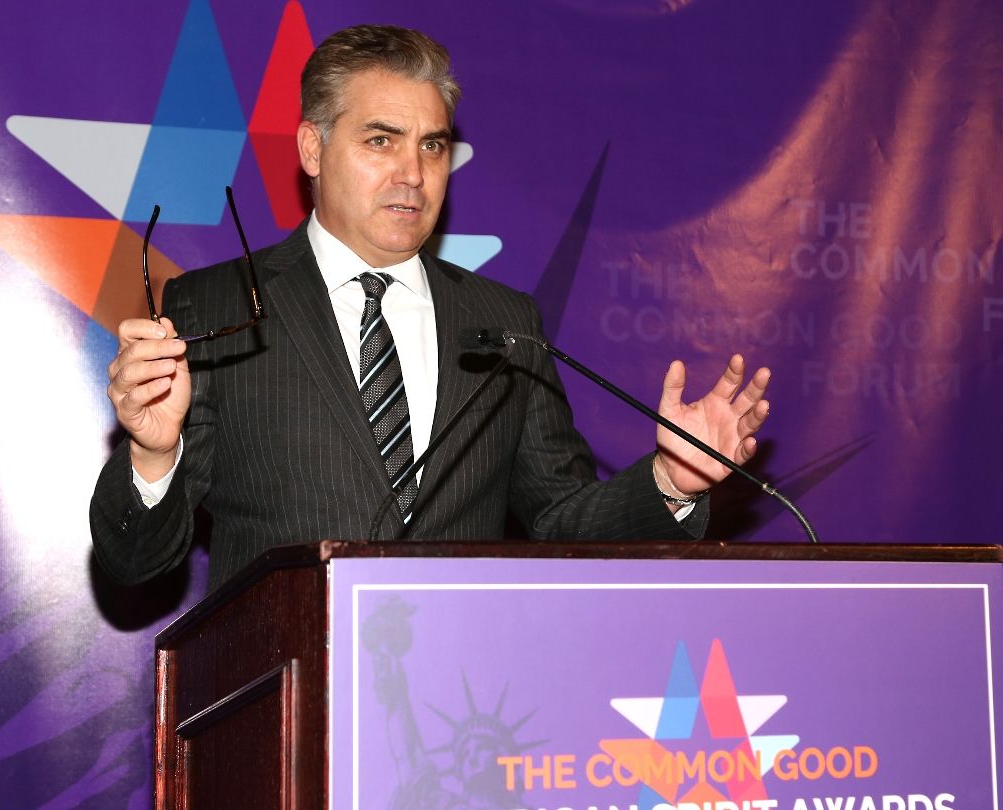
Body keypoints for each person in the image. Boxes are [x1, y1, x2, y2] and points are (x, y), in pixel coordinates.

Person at [89, 24, 770, 590]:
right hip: (284, 707)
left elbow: (560, 519)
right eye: (380, 141)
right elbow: (137, 561)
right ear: (312, 148)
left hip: (465, 713)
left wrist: (670, 481)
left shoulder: (507, 325)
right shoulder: (214, 305)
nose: (412, 174)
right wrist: (154, 456)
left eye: (433, 146)